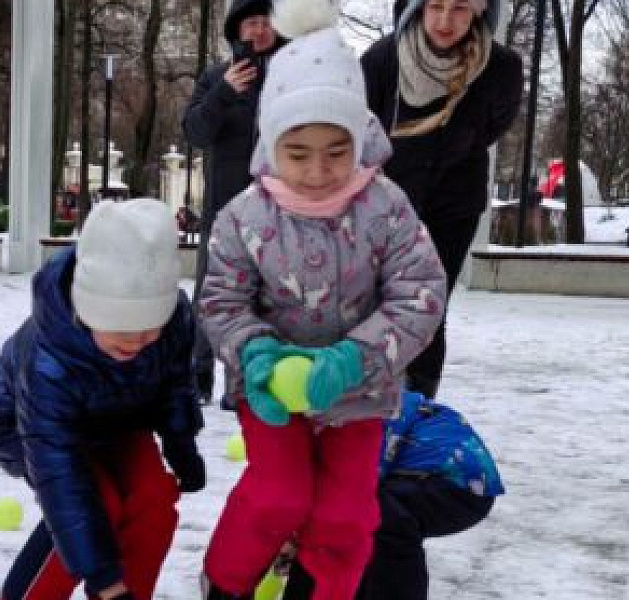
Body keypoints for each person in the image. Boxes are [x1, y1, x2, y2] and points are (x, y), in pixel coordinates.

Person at [195, 1, 449, 598]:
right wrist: (254, 355)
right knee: (280, 495)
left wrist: (354, 360)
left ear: (359, 140)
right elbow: (221, 302)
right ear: (271, 143)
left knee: (345, 515)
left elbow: (420, 293)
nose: (316, 171)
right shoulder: (244, 217)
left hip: (358, 393)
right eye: (298, 152)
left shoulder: (386, 207)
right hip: (270, 392)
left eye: (335, 152)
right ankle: (227, 581)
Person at [0, 199, 207, 600]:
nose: (136, 341)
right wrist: (101, 578)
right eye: (119, 328)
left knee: (154, 496)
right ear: (85, 312)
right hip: (26, 425)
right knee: (95, 503)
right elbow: (58, 473)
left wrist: (182, 447)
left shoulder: (174, 324)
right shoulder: (49, 360)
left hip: (114, 418)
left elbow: (174, 386)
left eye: (149, 329)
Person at [361, 0, 523, 398]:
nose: (445, 21)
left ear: (479, 13)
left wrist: (453, 145)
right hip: (391, 199)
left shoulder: (501, 67)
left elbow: (493, 125)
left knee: (431, 301)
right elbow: (362, 123)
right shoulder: (383, 59)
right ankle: (371, 391)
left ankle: (420, 399)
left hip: (456, 201)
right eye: (435, 6)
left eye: (459, 8)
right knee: (381, 297)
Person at [281, 391, 504, 600]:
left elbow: (358, 482)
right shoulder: (354, 406)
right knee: (351, 521)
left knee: (376, 517)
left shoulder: (369, 413)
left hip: (459, 487)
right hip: (423, 480)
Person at [181, 0, 287, 406]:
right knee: (211, 292)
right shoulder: (215, 78)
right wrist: (224, 93)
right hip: (223, 208)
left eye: (266, 22)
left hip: (277, 208)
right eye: (251, 23)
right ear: (236, 31)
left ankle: (242, 382)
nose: (259, 31)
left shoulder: (290, 75)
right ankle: (197, 378)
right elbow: (195, 132)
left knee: (265, 297)